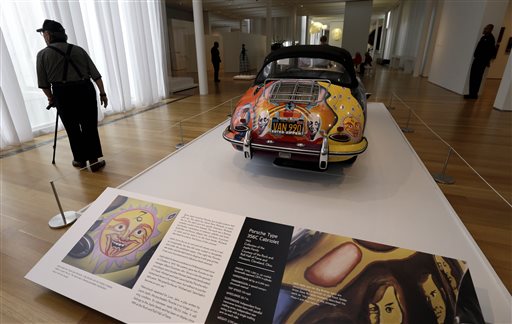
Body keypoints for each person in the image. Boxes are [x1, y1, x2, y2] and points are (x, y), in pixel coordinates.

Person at [36, 19, 107, 171]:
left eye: (43, 33)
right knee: (89, 126)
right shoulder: (79, 50)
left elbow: (43, 83)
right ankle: (94, 161)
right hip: (85, 89)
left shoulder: (42, 55)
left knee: (72, 128)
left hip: (62, 93)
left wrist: (51, 98)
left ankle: (80, 160)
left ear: (48, 35)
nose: (43, 36)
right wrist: (102, 93)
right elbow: (96, 75)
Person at [465, 24, 496, 99]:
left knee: (477, 78)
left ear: (490, 29)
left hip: (481, 62)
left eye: (486, 28)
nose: (484, 29)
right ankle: (471, 93)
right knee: (473, 77)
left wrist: (486, 61)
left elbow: (491, 52)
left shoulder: (491, 39)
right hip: (477, 60)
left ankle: (474, 94)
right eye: (485, 28)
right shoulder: (484, 37)